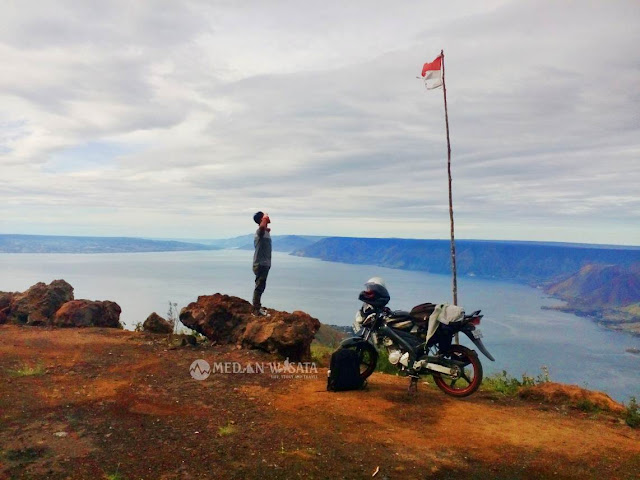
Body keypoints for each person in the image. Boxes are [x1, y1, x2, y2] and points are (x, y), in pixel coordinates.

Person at [252, 211, 272, 316]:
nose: (268, 216)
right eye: (264, 216)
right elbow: (261, 228)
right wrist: (264, 219)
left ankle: (257, 307)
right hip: (261, 264)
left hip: (264, 264)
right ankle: (256, 310)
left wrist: (267, 228)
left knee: (261, 286)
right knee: (259, 287)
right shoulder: (260, 231)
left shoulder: (264, 232)